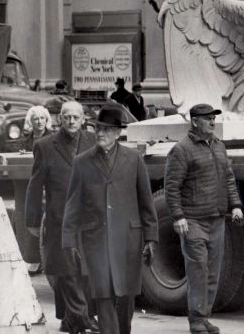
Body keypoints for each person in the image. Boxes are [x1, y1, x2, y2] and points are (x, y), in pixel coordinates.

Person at [62, 104, 158, 334]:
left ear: (117, 132)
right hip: (96, 241)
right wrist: (69, 241)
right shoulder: (82, 162)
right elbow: (72, 205)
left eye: (106, 130)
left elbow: (146, 202)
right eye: (98, 129)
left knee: (125, 300)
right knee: (103, 296)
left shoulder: (134, 159)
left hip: (128, 241)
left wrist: (151, 237)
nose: (100, 134)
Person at [164, 104, 244, 334]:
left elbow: (229, 179)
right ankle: (196, 321)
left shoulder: (219, 146)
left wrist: (236, 205)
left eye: (213, 118)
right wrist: (178, 216)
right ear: (195, 122)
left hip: (217, 219)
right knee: (198, 270)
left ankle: (204, 315)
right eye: (207, 118)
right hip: (193, 221)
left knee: (212, 271)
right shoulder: (182, 150)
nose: (212, 122)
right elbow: (172, 187)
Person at [25, 101, 97, 334]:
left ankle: (70, 319)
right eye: (67, 117)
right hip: (60, 217)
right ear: (59, 119)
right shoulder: (45, 146)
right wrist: (33, 220)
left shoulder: (92, 142)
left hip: (88, 217)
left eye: (76, 117)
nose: (71, 121)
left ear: (83, 119)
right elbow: (35, 185)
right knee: (67, 270)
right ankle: (83, 318)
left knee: (86, 270)